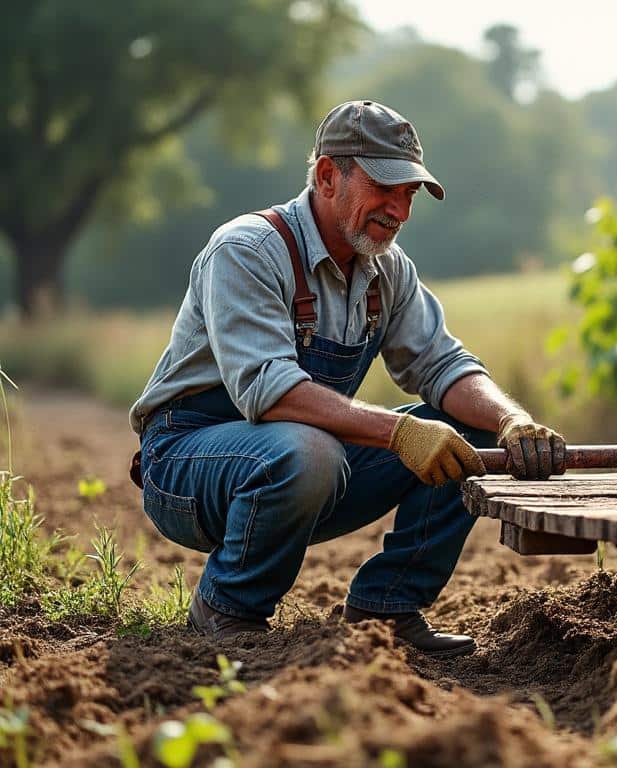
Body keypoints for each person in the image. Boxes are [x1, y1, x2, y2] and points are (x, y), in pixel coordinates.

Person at [129, 100, 565, 658]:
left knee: (466, 431)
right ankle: (227, 606)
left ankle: (387, 607)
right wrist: (399, 433)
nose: (399, 210)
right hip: (189, 466)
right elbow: (268, 387)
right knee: (309, 452)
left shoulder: (388, 269)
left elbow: (443, 363)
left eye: (409, 193)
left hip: (306, 462)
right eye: (385, 188)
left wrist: (512, 419)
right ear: (328, 176)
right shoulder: (246, 250)